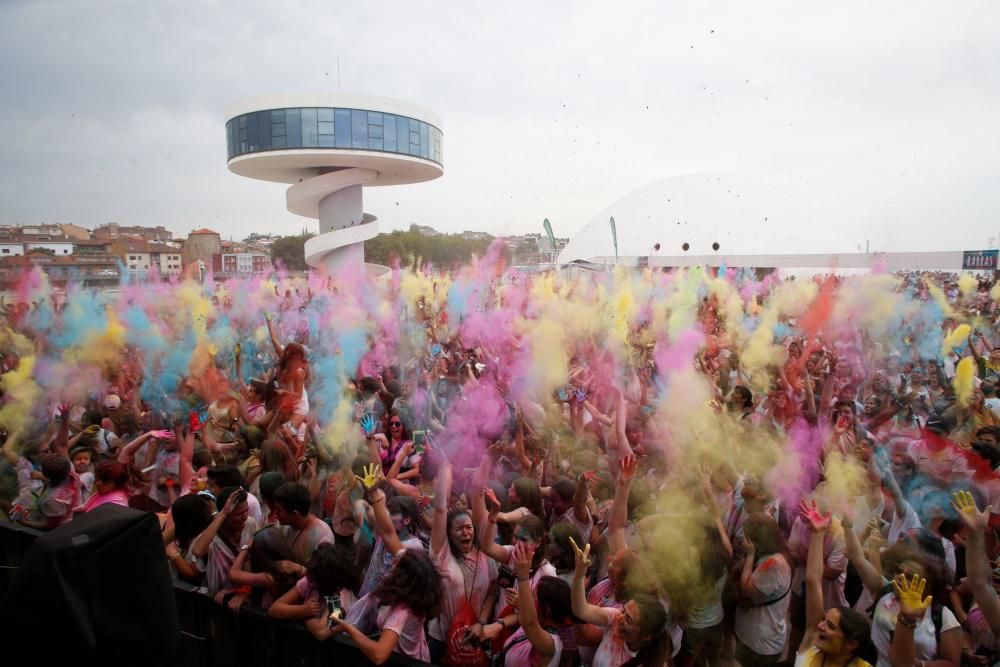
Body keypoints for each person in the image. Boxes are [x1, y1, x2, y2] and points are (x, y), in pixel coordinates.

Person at [793, 500, 874, 667]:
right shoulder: (811, 644)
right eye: (824, 620)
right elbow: (813, 580)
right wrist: (818, 534)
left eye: (830, 626)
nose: (820, 625)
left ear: (851, 644)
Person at [570, 536, 672, 666]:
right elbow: (581, 610)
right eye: (623, 611)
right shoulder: (615, 617)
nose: (619, 618)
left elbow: (585, 636)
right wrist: (579, 575)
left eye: (628, 619)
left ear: (646, 635)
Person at [734, 512, 792, 667]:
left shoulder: (774, 564)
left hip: (761, 644)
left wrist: (750, 556)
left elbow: (746, 588)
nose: (742, 540)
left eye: (746, 536)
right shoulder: (771, 555)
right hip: (754, 637)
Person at [273, 481, 333, 565]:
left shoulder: (323, 537)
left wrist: (300, 570)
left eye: (279, 510)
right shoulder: (282, 527)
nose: (275, 515)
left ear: (294, 514)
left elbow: (323, 575)